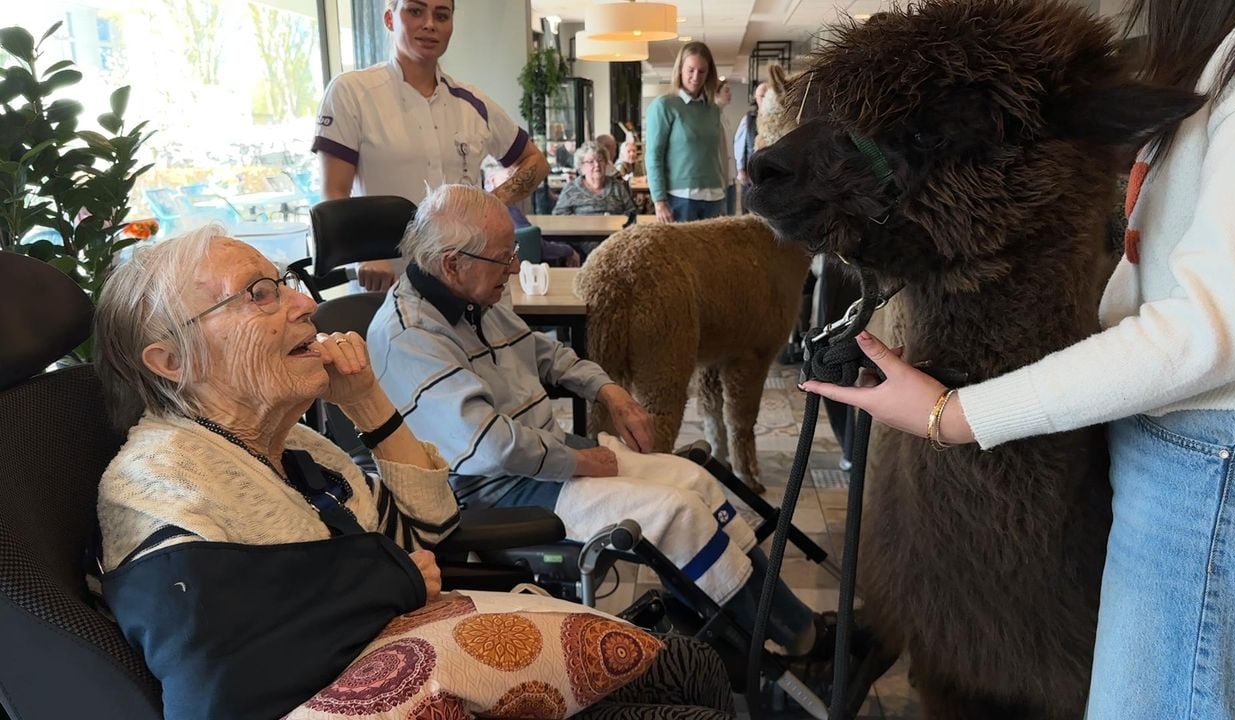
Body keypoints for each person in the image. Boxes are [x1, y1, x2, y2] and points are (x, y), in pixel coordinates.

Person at [800, 1, 1235, 718]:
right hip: (1165, 444)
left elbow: (1217, 324)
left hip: (1215, 469)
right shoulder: (1225, 56)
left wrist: (958, 414)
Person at [92, 226, 735, 720]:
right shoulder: (155, 477)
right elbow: (220, 668)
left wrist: (369, 402)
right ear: (173, 359)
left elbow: (426, 534)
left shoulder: (306, 450)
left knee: (697, 671)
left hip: (433, 660)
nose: (304, 303)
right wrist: (386, 575)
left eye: (285, 281)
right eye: (259, 294)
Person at [368, 185, 846, 676]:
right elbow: (493, 446)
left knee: (695, 481)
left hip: (541, 463)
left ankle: (747, 629)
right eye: (503, 257)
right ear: (452, 264)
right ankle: (795, 645)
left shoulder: (471, 299)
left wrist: (609, 392)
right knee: (677, 514)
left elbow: (544, 352)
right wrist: (579, 461)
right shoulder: (409, 337)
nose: (514, 267)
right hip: (493, 491)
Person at [312, 0, 549, 292]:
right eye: (415, 11)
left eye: (441, 15)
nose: (429, 24)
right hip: (388, 281)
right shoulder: (352, 92)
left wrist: (490, 204)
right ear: (389, 18)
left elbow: (535, 162)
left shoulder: (472, 102)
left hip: (468, 279)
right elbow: (334, 191)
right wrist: (364, 255)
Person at [644, 41, 726, 223]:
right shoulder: (664, 105)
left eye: (702, 71)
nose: (696, 77)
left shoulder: (713, 109)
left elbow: (715, 155)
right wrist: (659, 202)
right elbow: (653, 156)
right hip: (680, 199)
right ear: (680, 69)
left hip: (713, 196)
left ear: (709, 73)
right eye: (690, 70)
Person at [552, 141, 638, 216]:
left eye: (600, 160)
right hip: (582, 233)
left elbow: (632, 213)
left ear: (606, 163)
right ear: (581, 166)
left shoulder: (617, 186)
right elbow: (559, 216)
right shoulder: (571, 189)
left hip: (615, 233)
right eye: (590, 162)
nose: (597, 165)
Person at [734, 82, 768, 214]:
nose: (764, 98)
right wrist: (741, 168)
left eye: (767, 95)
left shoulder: (777, 117)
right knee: (748, 208)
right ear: (756, 98)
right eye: (761, 95)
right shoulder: (749, 119)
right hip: (750, 170)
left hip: (768, 173)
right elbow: (739, 144)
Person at [714, 79, 737, 215]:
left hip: (731, 175)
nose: (730, 94)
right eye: (726, 91)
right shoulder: (713, 118)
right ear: (716, 93)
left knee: (731, 215)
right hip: (720, 177)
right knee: (723, 216)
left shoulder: (724, 117)